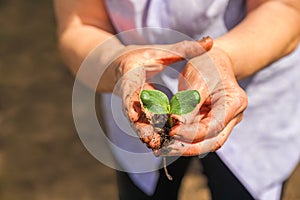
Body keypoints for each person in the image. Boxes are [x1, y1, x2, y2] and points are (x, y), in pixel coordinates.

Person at [54, 0, 300, 199]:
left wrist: (226, 56)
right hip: (134, 104)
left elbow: (285, 8)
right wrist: (119, 64)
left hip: (253, 98)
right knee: (143, 188)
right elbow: (80, 23)